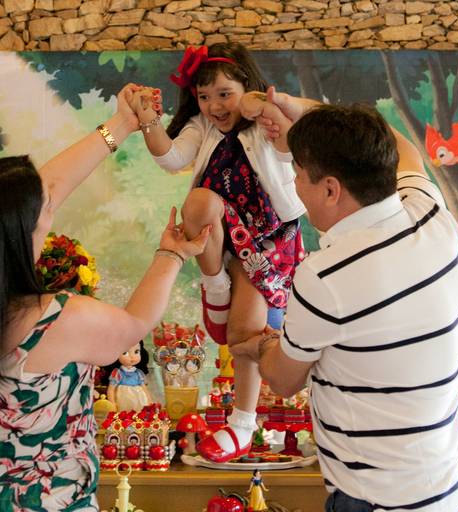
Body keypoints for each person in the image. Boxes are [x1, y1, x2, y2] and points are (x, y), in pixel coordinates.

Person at [0, 85, 211, 511]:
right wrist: (171, 254)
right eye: (43, 204)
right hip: (41, 500)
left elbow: (48, 184)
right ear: (23, 225)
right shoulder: (57, 319)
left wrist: (121, 124)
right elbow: (133, 328)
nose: (52, 199)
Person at [232, 92, 458, 511]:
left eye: (298, 174)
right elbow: (405, 148)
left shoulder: (326, 275)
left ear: (330, 189)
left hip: (376, 502)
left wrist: (259, 345)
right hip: (447, 493)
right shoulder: (432, 214)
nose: (294, 186)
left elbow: (285, 380)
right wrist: (303, 108)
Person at [127, 43, 307, 462]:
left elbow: (287, 148)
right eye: (203, 97)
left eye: (224, 93)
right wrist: (148, 119)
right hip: (222, 240)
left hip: (267, 240)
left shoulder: (265, 122)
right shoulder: (202, 128)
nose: (213, 106)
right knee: (199, 201)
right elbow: (171, 158)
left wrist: (260, 105)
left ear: (248, 86)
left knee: (245, 332)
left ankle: (243, 424)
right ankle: (214, 285)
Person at [102, 340, 153, 412]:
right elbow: (111, 389)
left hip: (139, 399)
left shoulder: (138, 372)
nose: (132, 357)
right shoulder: (118, 373)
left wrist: (149, 400)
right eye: (125, 353)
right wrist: (112, 403)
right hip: (123, 399)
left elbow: (144, 388)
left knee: (140, 412)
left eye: (136, 352)